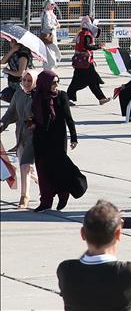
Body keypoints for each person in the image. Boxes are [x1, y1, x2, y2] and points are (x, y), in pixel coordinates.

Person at [57, 200, 131, 309]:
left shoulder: (66, 270)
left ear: (83, 234)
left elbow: (88, 264)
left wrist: (102, 224)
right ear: (118, 234)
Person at [30, 70, 86, 211]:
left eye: (57, 82)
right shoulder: (36, 96)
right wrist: (30, 124)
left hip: (57, 139)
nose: (56, 85)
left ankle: (63, 194)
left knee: (58, 169)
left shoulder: (61, 96)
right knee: (42, 170)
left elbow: (68, 118)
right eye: (53, 82)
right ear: (44, 83)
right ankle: (46, 201)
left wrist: (74, 137)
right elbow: (31, 116)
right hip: (40, 138)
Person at [0, 69, 36, 209]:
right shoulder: (18, 94)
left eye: (30, 81)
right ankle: (41, 181)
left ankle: (24, 196)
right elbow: (10, 113)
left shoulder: (40, 95)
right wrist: (2, 124)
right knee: (27, 166)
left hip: (36, 135)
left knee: (25, 165)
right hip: (21, 135)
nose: (26, 83)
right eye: (24, 80)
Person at [66, 17, 110, 107]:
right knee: (84, 81)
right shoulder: (87, 34)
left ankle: (101, 98)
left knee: (90, 81)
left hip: (81, 61)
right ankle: (67, 98)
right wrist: (99, 46)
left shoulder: (81, 33)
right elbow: (87, 46)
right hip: (85, 62)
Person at [1, 37, 32, 103]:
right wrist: (12, 50)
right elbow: (2, 61)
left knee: (19, 105)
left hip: (21, 85)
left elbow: (20, 73)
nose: (10, 42)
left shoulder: (23, 54)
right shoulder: (14, 51)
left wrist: (8, 71)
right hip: (12, 83)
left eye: (13, 40)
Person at [39, 0, 61, 71]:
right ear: (47, 5)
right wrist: (56, 26)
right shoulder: (47, 13)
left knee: (49, 54)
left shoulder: (48, 13)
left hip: (49, 37)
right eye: (52, 4)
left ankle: (49, 70)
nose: (53, 6)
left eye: (54, 4)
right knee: (50, 55)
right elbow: (47, 26)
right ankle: (49, 71)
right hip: (48, 37)